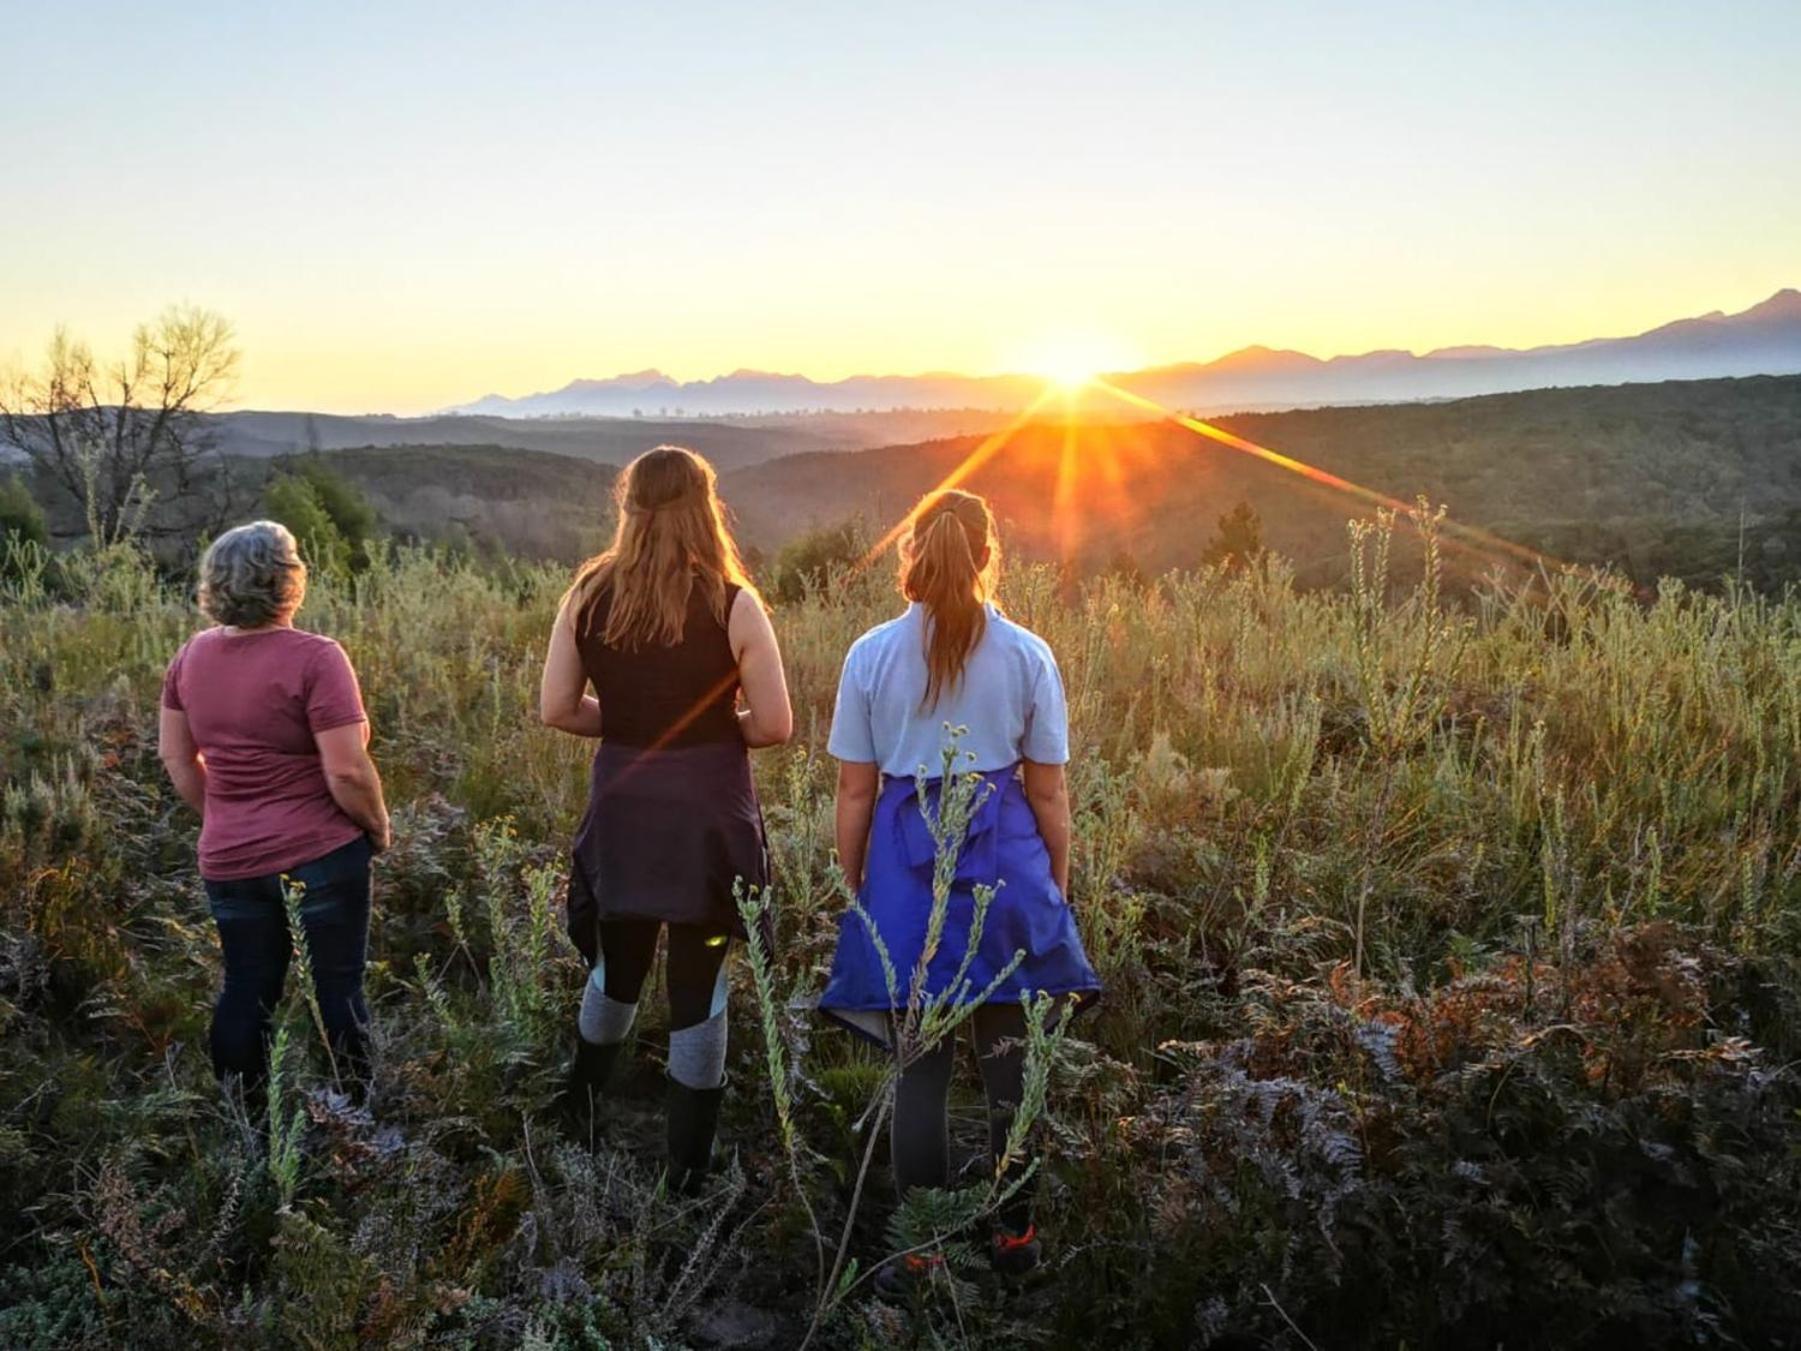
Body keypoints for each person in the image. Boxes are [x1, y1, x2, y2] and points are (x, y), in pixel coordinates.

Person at [819, 488, 1101, 1289]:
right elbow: (1048, 793)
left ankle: (920, 1252)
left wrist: (856, 888)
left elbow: (853, 793)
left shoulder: (868, 654)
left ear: (911, 553)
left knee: (920, 1073)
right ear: (988, 555)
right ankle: (1018, 1241)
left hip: (907, 878)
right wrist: (1054, 890)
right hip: (1008, 869)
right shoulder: (1027, 654)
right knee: (1011, 1067)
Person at [540, 444, 791, 1191]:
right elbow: (775, 724)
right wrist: (707, 732)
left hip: (623, 809)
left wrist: (628, 727)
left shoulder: (586, 593)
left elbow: (555, 708)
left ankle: (579, 1106)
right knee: (698, 980)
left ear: (629, 507)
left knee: (615, 965)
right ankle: (687, 1167)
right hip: (705, 821)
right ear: (703, 508)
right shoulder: (733, 602)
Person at [158, 520, 390, 1105]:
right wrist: (377, 827)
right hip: (321, 856)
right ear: (288, 581)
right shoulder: (317, 658)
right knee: (338, 990)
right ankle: (358, 1120)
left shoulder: (190, 657)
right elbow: (346, 770)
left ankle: (248, 1124)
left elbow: (176, 758)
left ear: (216, 585)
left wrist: (227, 817)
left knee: (246, 988)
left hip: (229, 858)